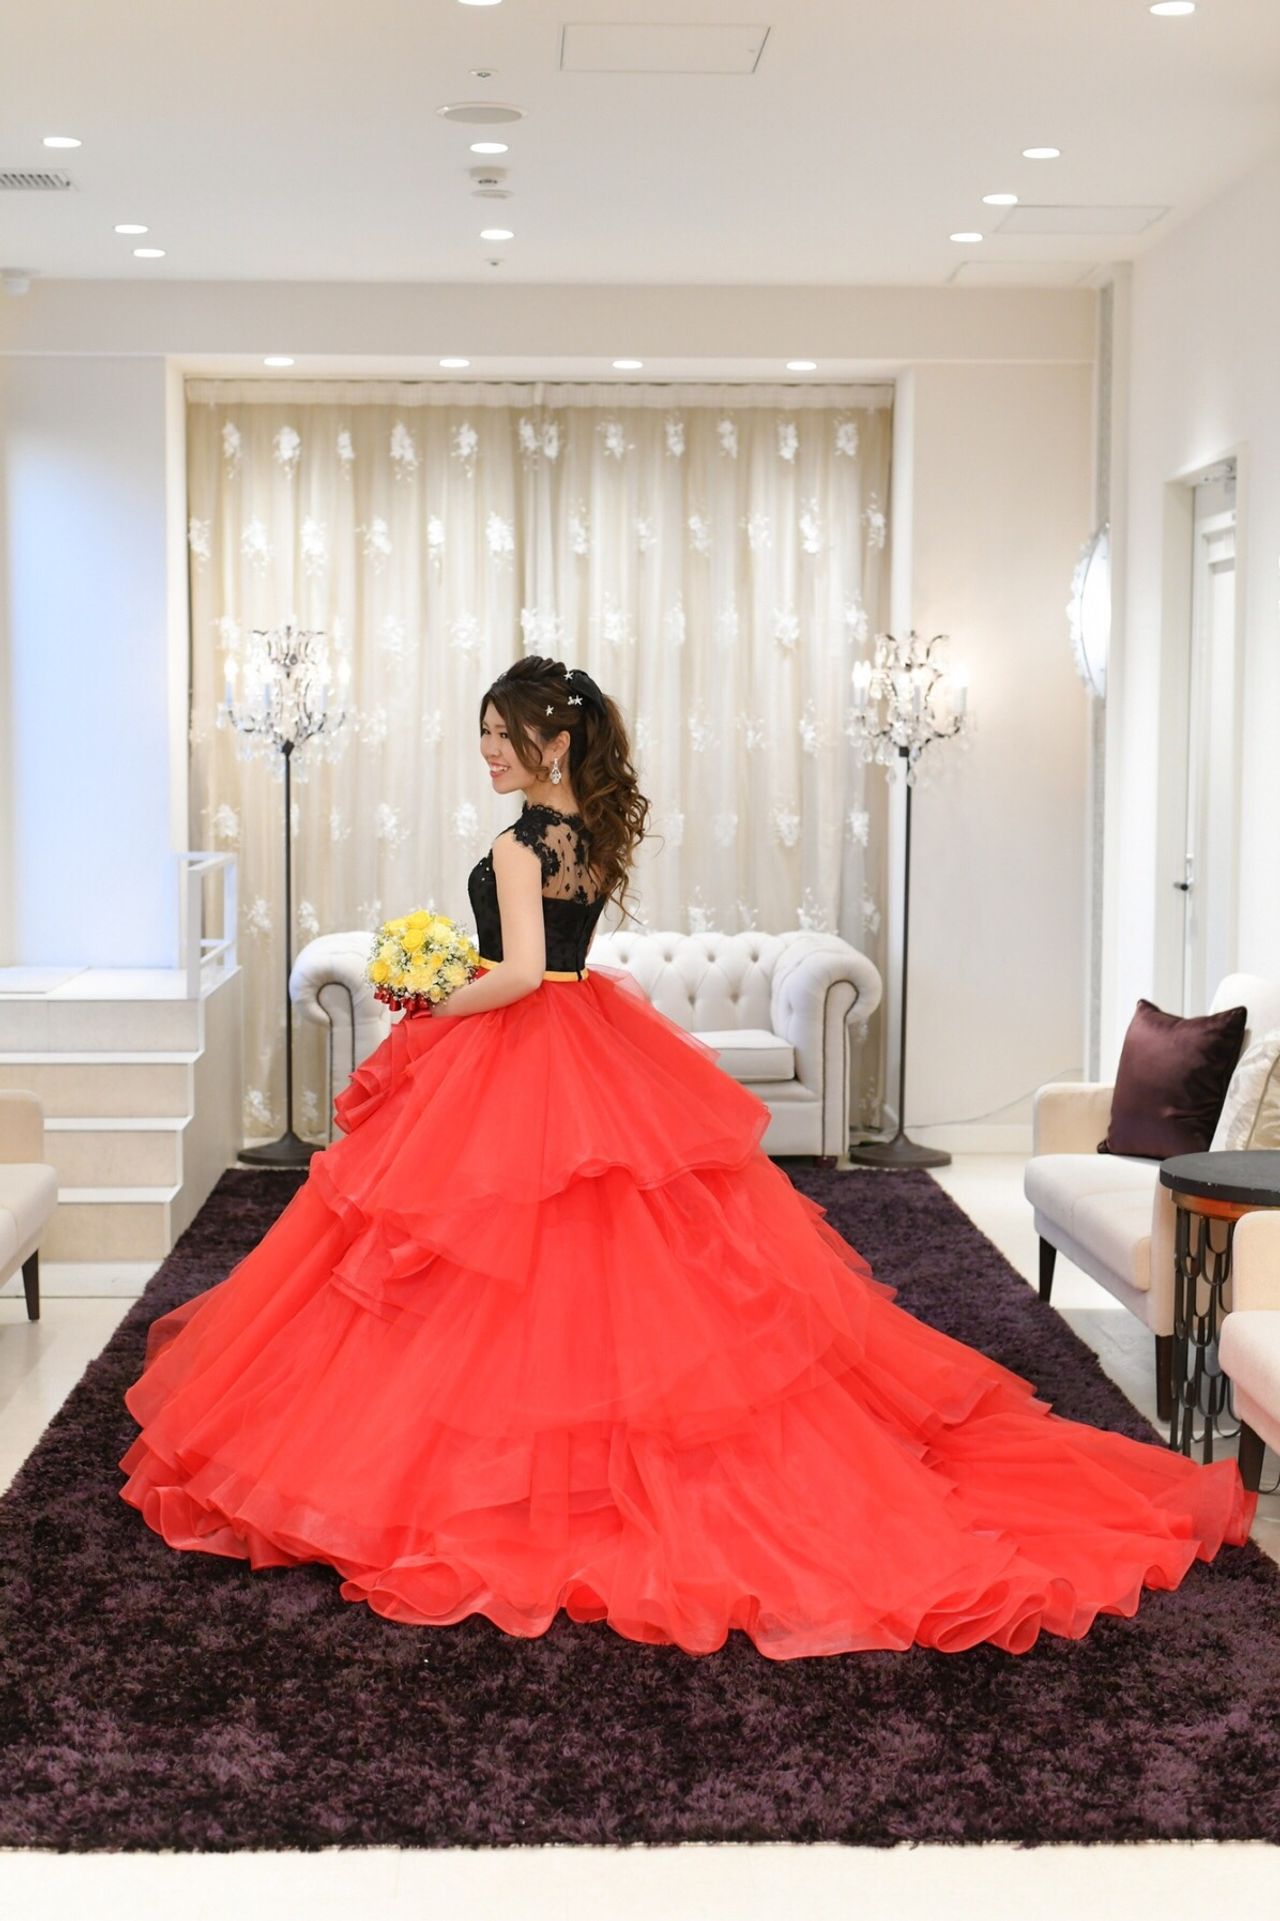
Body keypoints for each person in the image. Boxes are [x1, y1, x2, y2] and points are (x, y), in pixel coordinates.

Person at [119, 654, 1256, 1660]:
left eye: (502, 737)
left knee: (475, 1258)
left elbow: (517, 974)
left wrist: (432, 993)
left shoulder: (517, 843)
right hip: (584, 1037)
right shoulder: (584, 831)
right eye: (483, 736)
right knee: (601, 1256)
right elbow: (555, 961)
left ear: (551, 742)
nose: (487, 753)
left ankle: (507, 1474)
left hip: (523, 1046)